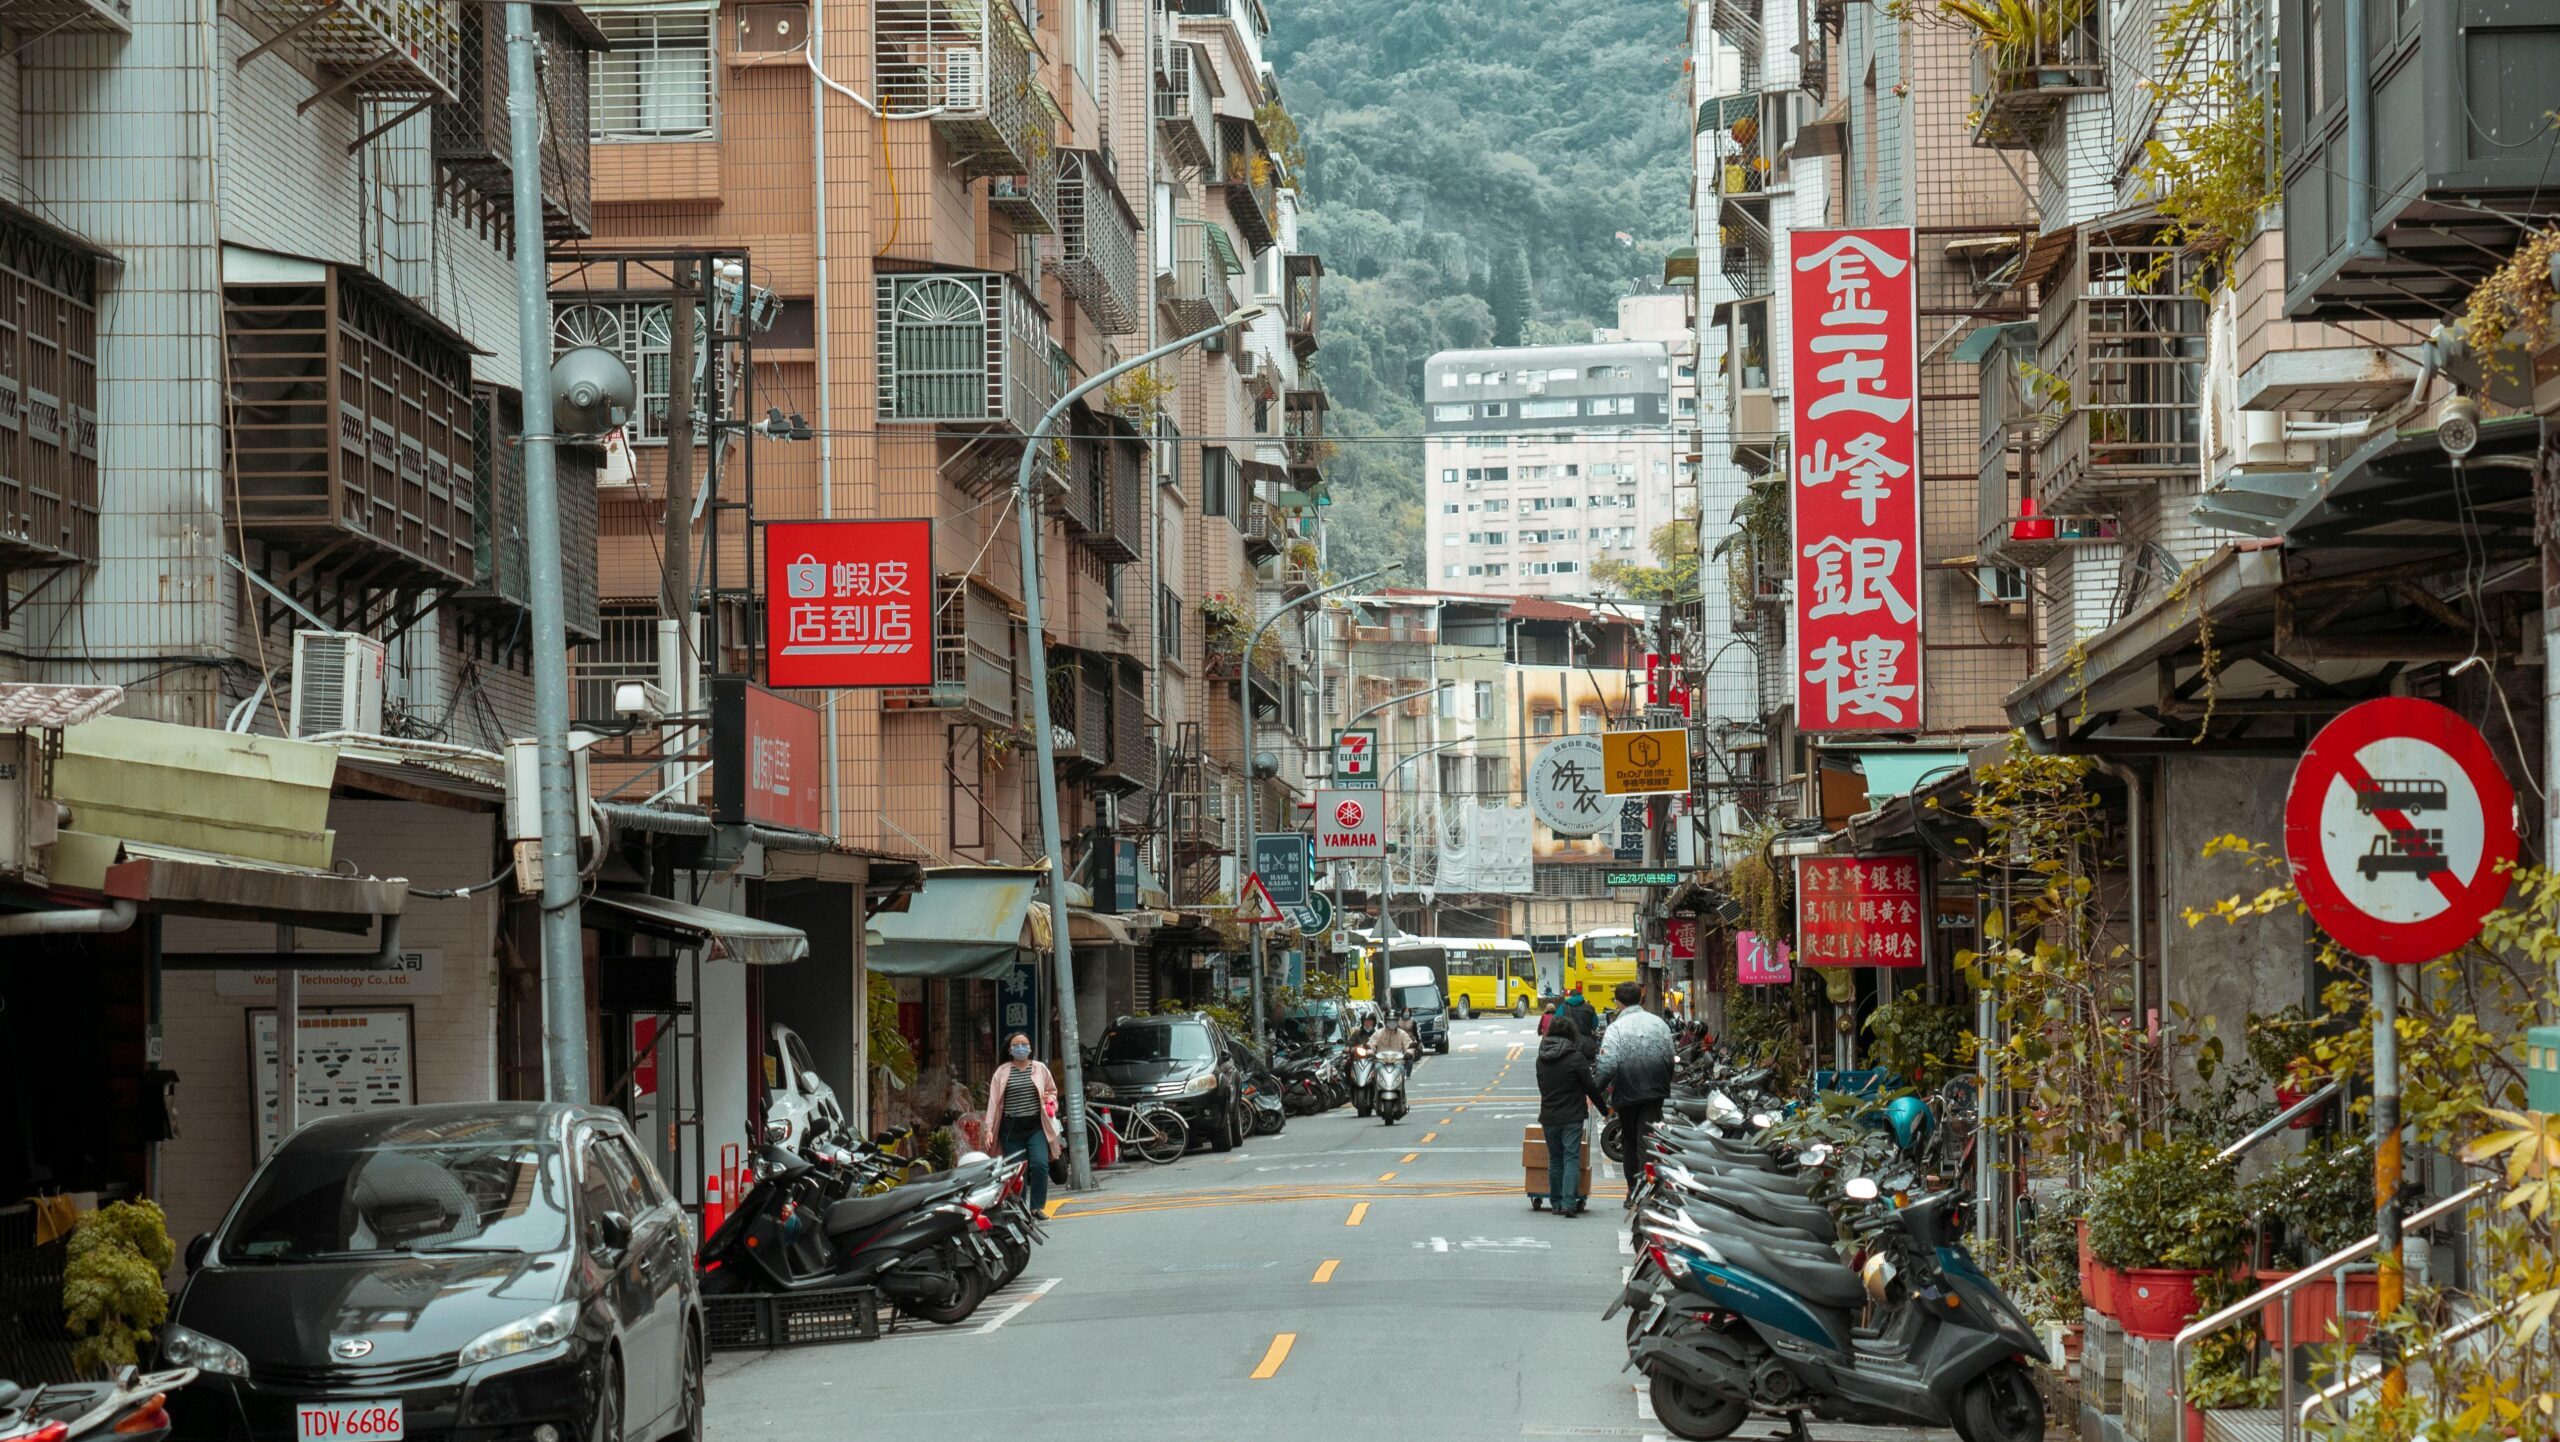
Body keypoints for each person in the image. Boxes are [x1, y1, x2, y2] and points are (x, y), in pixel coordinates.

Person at [1594, 981, 1673, 1209]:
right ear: (1640, 998)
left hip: (1627, 1092)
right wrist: (1663, 1083)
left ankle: (1633, 1191)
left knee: (1629, 1142)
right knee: (1648, 1141)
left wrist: (1594, 1092)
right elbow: (1670, 1058)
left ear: (1618, 1002)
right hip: (1655, 1091)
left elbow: (1607, 1065)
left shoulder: (1616, 1028)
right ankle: (1650, 1190)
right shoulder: (1659, 1024)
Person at [980, 1034, 1064, 1213]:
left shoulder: (1040, 1068)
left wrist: (1049, 1101)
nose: (1020, 1048)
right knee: (1017, 1171)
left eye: (1024, 1044)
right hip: (1011, 1130)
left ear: (1030, 1048)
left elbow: (1052, 1090)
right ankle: (1021, 1209)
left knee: (1040, 1164)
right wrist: (988, 1130)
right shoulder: (1001, 1072)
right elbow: (993, 1103)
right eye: (1016, 1045)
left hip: (1036, 1126)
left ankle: (1037, 1208)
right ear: (1010, 1050)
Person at [1535, 1008, 1608, 1216]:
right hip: (1572, 1115)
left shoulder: (1541, 1058)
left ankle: (1556, 1202)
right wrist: (1604, 1110)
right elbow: (1590, 1087)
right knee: (1571, 1158)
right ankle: (1568, 1203)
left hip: (1549, 1115)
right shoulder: (1576, 1058)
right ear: (1571, 1034)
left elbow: (1542, 1087)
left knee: (1555, 1158)